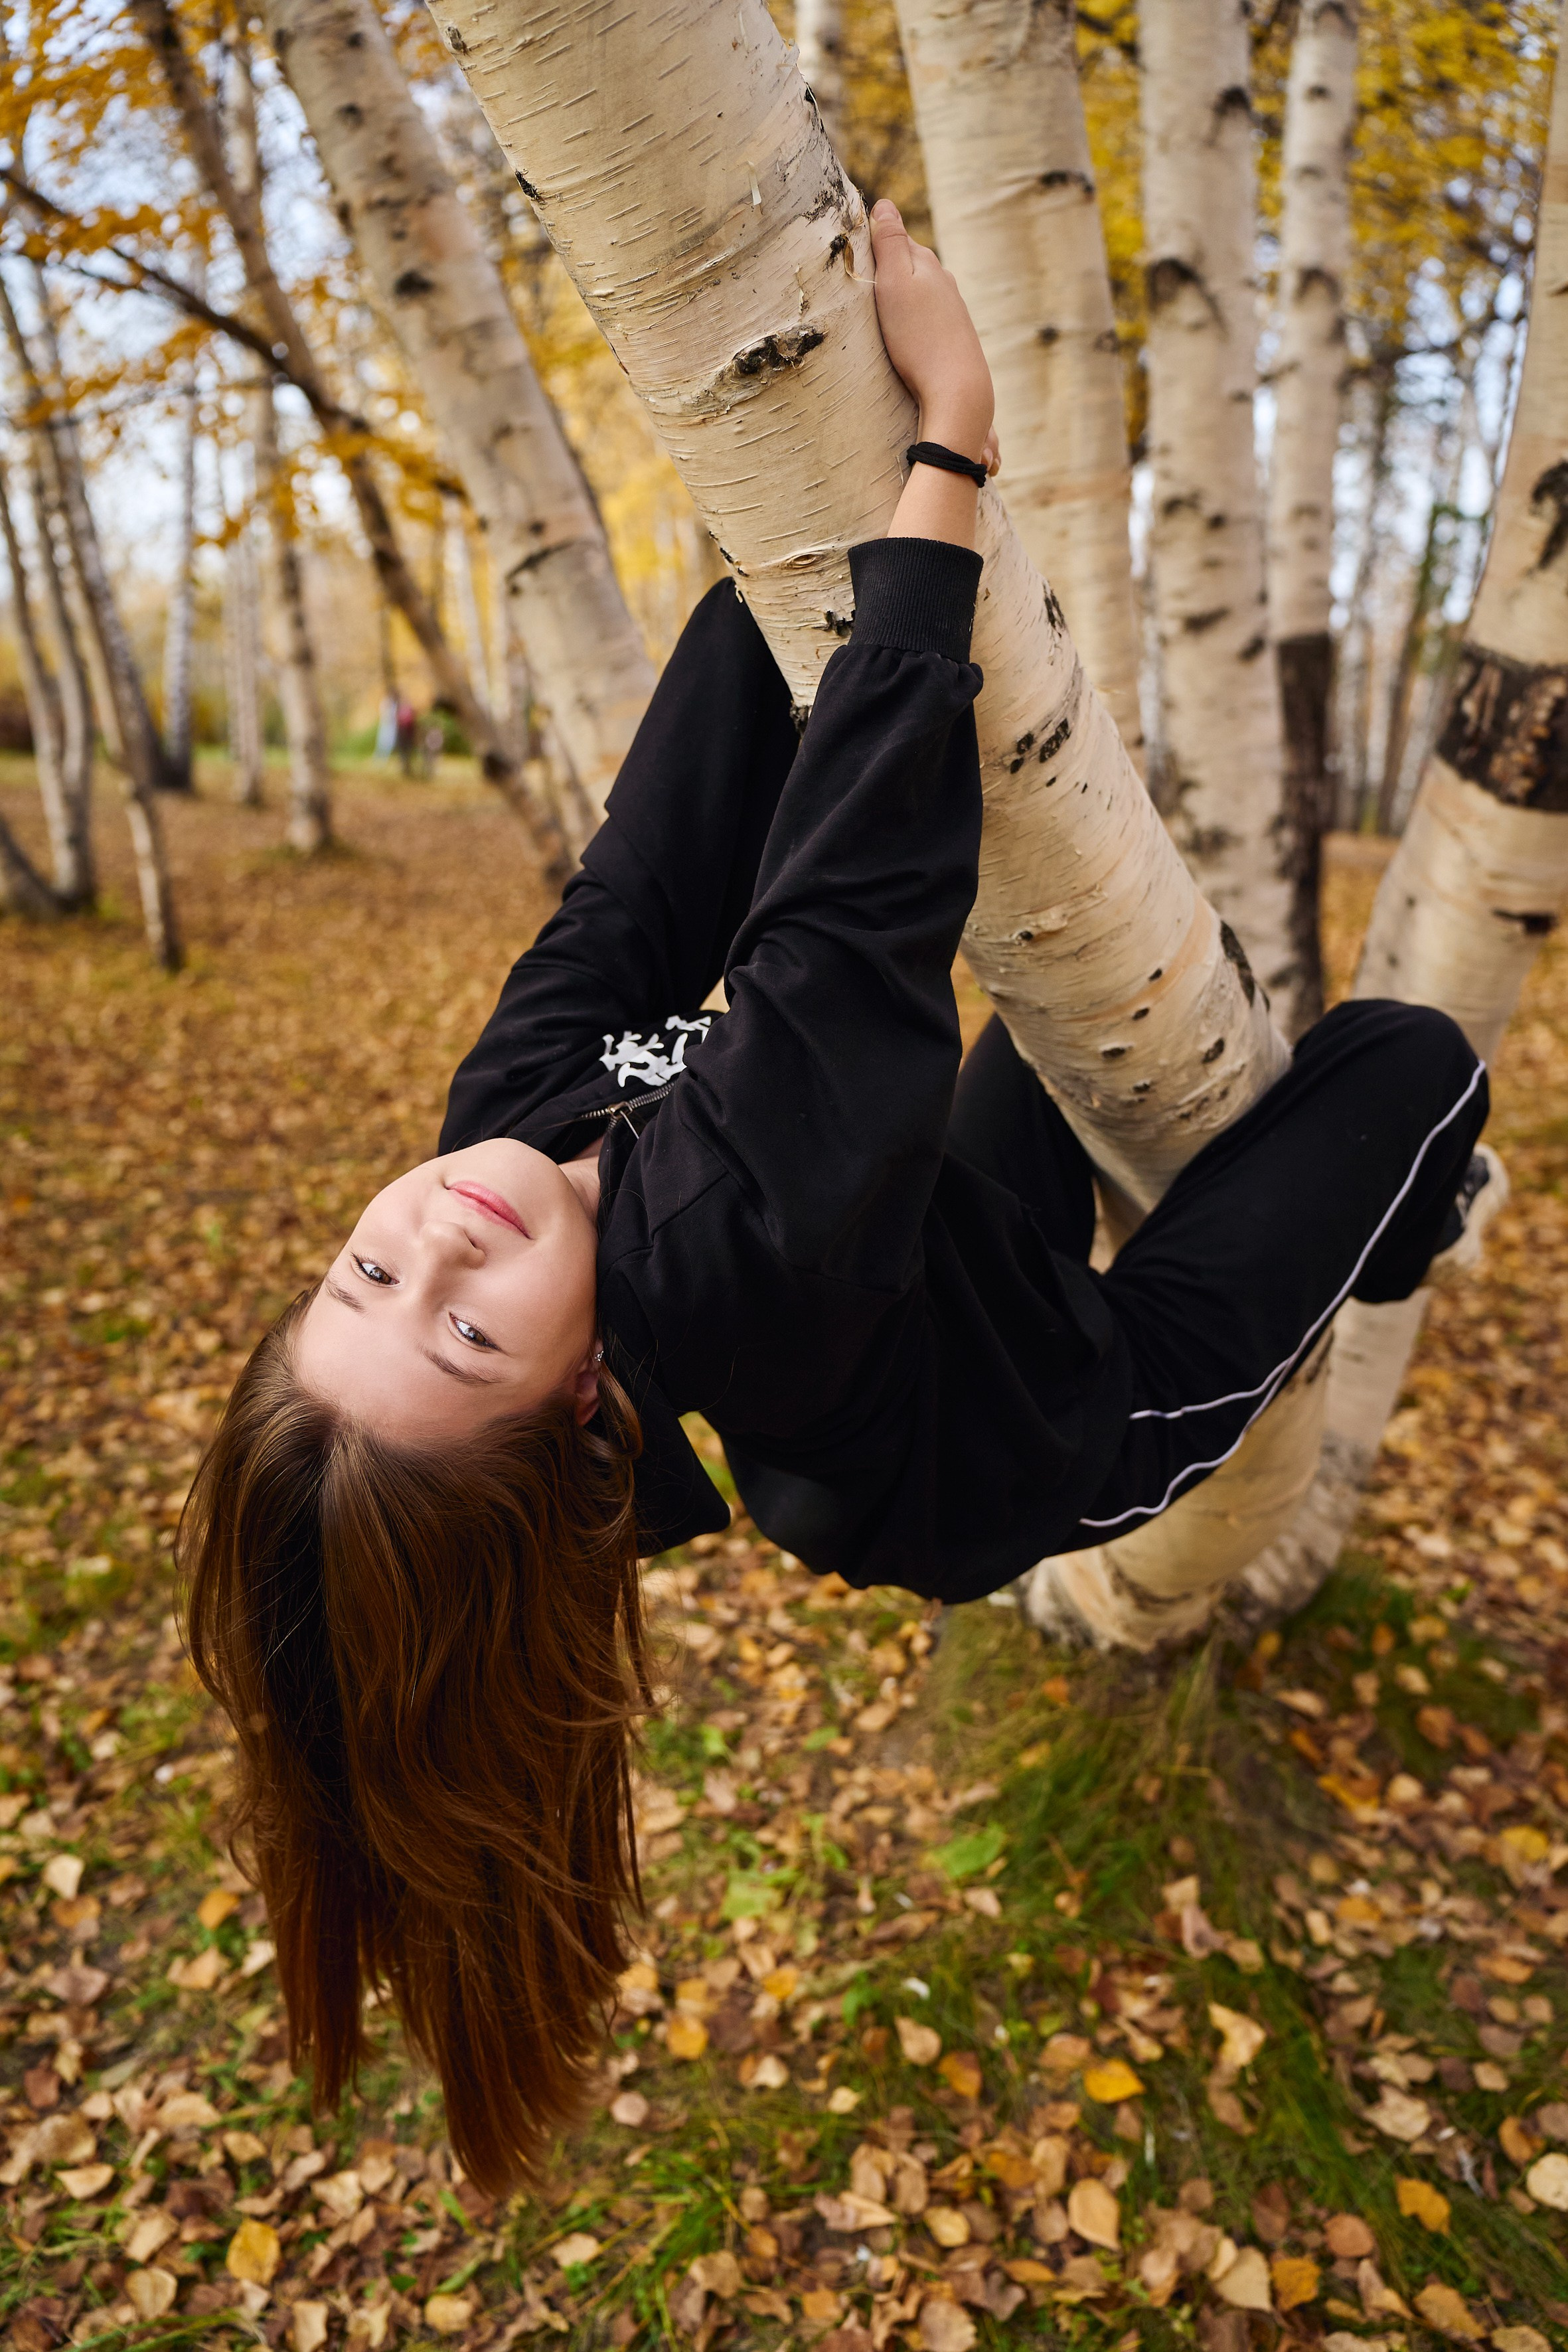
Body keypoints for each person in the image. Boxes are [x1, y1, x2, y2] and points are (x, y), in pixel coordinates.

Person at [178, 202, 1496, 2189]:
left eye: (361, 1270)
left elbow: (645, 888)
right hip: (1038, 1428)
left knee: (1074, 1033)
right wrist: (942, 445)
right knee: (1405, 1069)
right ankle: (1396, 1228)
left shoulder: (500, 1141)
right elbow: (845, 903)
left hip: (911, 1295)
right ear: (581, 1406)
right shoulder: (737, 1241)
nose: (438, 1228)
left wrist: (779, 522)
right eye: (454, 1328)